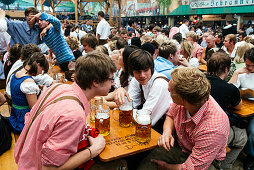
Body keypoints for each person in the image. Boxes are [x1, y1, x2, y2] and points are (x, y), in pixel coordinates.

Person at [15, 51, 117, 169]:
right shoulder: (74, 114)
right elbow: (49, 168)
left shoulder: (58, 87)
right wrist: (93, 150)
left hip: (25, 157)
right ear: (96, 82)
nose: (113, 83)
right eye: (111, 79)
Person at [137, 67, 230, 170]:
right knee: (148, 164)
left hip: (206, 162)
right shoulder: (189, 99)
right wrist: (167, 132)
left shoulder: (214, 128)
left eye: (171, 90)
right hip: (182, 147)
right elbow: (171, 114)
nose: (168, 89)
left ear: (183, 99)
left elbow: (191, 168)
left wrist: (166, 167)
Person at [114, 49, 172, 132]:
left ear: (151, 68)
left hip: (164, 131)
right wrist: (121, 90)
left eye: (145, 70)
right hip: (149, 128)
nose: (142, 75)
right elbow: (130, 105)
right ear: (132, 71)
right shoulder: (136, 80)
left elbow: (147, 118)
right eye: (138, 71)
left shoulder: (159, 83)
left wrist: (128, 110)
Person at [206, 52, 247, 169]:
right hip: (212, 133)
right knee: (243, 136)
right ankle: (224, 166)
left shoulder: (198, 80)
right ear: (226, 69)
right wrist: (236, 74)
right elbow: (239, 106)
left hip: (191, 128)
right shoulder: (229, 89)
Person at [8, 52, 49, 134]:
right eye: (42, 69)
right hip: (23, 119)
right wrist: (44, 92)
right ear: (38, 65)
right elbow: (35, 108)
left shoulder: (17, 73)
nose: (41, 73)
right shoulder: (28, 82)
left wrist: (36, 87)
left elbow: (19, 91)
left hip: (15, 114)